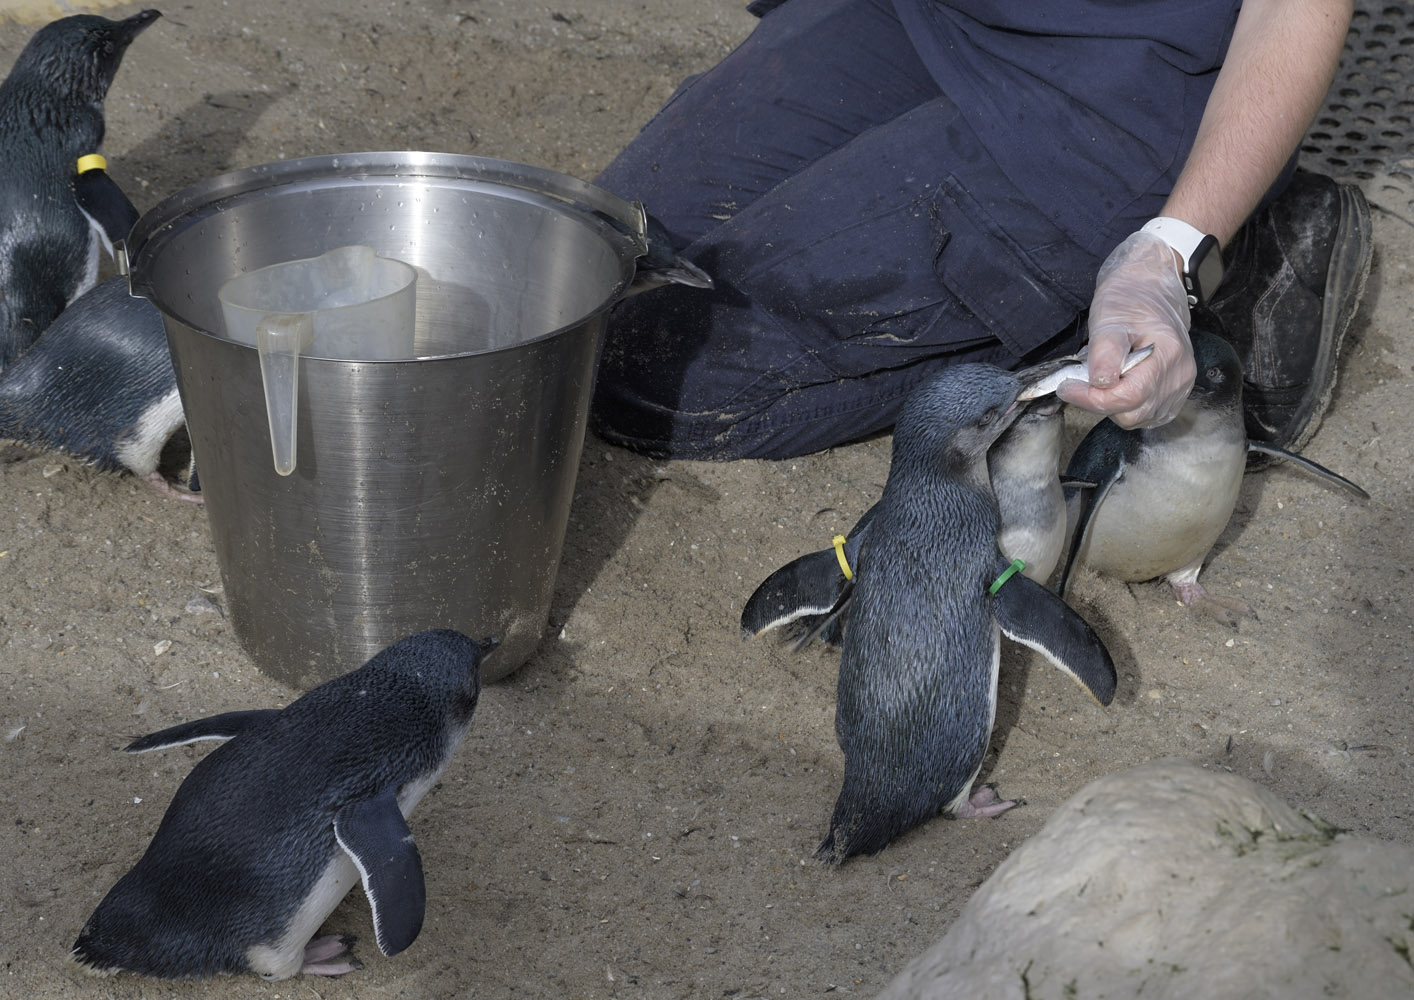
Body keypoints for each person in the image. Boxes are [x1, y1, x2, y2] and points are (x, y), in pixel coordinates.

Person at [588, 0, 1370, 461]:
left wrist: (1172, 250)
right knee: (598, 272)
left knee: (649, 373)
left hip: (1114, 102)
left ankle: (1211, 252)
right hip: (922, 17)